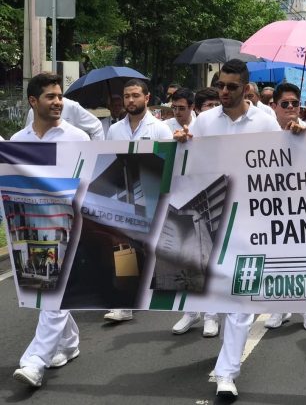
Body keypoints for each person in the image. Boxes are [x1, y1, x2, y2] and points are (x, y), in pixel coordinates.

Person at [177, 59, 281, 398]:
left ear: (246, 88)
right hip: (210, 217)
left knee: (240, 297)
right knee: (214, 292)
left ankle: (226, 373)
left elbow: (286, 164)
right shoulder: (204, 121)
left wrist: (300, 134)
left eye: (231, 86)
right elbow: (191, 163)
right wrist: (181, 144)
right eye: (220, 85)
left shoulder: (267, 123)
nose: (223, 91)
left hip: (252, 221)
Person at [12, 73, 90, 388]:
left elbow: (89, 182)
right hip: (32, 228)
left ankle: (35, 361)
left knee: (53, 290)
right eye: (51, 97)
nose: (58, 102)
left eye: (60, 96)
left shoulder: (77, 138)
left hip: (70, 226)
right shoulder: (19, 142)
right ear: (34, 102)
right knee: (46, 289)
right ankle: (70, 343)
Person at [104, 78, 172, 322]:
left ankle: (161, 292)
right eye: (127, 96)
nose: (130, 100)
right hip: (124, 195)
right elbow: (110, 161)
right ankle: (125, 304)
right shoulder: (114, 130)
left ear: (147, 98)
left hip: (153, 194)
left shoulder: (159, 129)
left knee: (153, 247)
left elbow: (167, 163)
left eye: (135, 95)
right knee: (124, 247)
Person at [264, 82, 306, 330]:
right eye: (284, 104)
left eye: (294, 103)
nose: (290, 107)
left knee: (305, 259)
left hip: (305, 206)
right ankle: (279, 308)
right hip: (271, 205)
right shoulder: (261, 133)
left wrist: (304, 140)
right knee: (274, 260)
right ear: (273, 106)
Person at [26, 96, 104, 141]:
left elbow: (96, 126)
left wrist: (95, 156)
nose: (57, 102)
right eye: (49, 96)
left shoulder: (71, 106)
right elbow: (28, 138)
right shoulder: (32, 112)